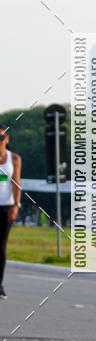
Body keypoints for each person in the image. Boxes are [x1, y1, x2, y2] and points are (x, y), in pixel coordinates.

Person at [0, 124, 22, 299]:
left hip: (6, 207)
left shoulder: (13, 158)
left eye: (1, 138)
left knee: (1, 246)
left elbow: (16, 183)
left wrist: (16, 205)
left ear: (7, 139)